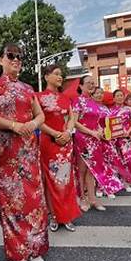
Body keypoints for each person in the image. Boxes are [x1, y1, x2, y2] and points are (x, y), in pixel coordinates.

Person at [0, 43, 48, 261]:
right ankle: (18, 251)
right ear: (0, 60)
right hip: (5, 153)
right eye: (10, 55)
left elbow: (41, 115)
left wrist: (31, 123)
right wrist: (13, 125)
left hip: (28, 150)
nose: (15, 59)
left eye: (19, 56)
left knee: (34, 199)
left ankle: (36, 246)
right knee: (10, 202)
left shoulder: (28, 88)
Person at [37, 65, 81, 233]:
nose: (60, 77)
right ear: (46, 76)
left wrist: (68, 132)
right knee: (51, 181)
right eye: (56, 74)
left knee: (66, 179)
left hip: (65, 143)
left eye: (61, 74)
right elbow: (38, 120)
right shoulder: (38, 97)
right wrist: (56, 134)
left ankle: (67, 215)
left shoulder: (65, 98)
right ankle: (54, 216)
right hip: (49, 142)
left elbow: (71, 118)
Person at [73, 78, 124, 212]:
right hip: (82, 139)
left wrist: (100, 130)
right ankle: (82, 198)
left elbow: (99, 121)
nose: (91, 85)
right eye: (88, 83)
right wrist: (91, 132)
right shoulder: (78, 101)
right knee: (82, 170)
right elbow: (74, 122)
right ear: (81, 86)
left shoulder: (94, 103)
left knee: (92, 171)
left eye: (93, 83)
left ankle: (93, 198)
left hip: (95, 140)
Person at [109, 89, 131, 190]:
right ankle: (119, 181)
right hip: (113, 139)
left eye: (121, 95)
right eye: (117, 96)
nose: (120, 97)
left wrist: (128, 132)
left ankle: (126, 181)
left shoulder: (128, 109)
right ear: (114, 98)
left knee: (128, 160)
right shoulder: (110, 110)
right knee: (117, 160)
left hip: (125, 138)